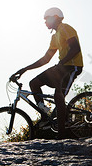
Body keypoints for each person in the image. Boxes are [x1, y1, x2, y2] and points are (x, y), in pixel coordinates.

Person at [10, 7, 83, 138]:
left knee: (58, 96)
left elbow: (75, 48)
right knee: (34, 83)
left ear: (55, 17)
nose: (44, 22)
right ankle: (45, 117)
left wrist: (63, 61)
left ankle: (62, 134)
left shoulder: (65, 28)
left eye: (46, 19)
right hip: (61, 67)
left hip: (72, 66)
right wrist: (24, 69)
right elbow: (46, 59)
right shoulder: (55, 37)